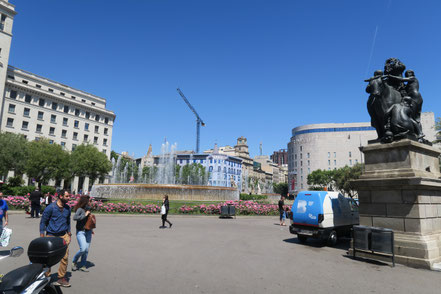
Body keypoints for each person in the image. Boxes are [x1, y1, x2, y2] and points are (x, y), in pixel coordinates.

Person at [39, 190, 72, 288]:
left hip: (63, 236)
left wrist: (69, 233)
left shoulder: (67, 208)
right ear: (61, 196)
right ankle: (46, 277)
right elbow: (43, 221)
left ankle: (61, 278)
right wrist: (42, 235)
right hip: (51, 236)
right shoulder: (50, 208)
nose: (69, 198)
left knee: (65, 258)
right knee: (48, 258)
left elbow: (68, 221)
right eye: (67, 196)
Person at [72, 195, 92, 272]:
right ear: (85, 202)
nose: (90, 202)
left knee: (86, 250)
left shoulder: (88, 209)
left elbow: (89, 220)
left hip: (88, 231)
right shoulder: (80, 209)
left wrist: (91, 228)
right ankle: (74, 261)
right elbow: (75, 218)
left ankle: (83, 265)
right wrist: (85, 215)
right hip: (80, 231)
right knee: (83, 249)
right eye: (89, 201)